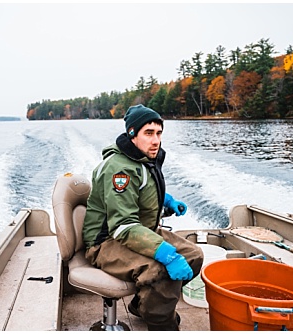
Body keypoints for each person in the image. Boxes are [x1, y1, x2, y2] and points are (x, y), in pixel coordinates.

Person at [82, 104, 204, 331]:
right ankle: (161, 323)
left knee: (193, 255)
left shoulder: (141, 158)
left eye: (159, 133)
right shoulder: (119, 169)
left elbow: (142, 189)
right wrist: (166, 254)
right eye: (148, 133)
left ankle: (142, 304)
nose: (156, 140)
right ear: (132, 135)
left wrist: (166, 200)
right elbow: (122, 226)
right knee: (159, 269)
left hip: (140, 231)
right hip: (107, 241)